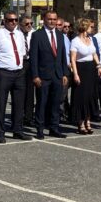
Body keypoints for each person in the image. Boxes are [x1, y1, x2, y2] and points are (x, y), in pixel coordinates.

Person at [0, 12, 32, 143]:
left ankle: (18, 130)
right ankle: (0, 132)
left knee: (19, 103)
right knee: (1, 103)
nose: (13, 22)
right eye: (10, 20)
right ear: (4, 21)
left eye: (16, 20)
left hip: (19, 72)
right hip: (3, 73)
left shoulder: (19, 35)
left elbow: (22, 53)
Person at [30, 11, 69, 139]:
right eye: (49, 19)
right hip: (43, 76)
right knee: (42, 103)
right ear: (44, 20)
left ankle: (54, 127)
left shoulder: (59, 35)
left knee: (56, 103)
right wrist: (35, 75)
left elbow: (62, 56)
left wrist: (64, 74)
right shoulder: (37, 35)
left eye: (54, 19)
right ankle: (40, 129)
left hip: (57, 75)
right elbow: (34, 57)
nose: (52, 21)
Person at [70, 19, 101, 135]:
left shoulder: (90, 39)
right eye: (91, 27)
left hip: (91, 69)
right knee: (81, 97)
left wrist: (98, 66)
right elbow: (73, 59)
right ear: (84, 27)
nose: (92, 29)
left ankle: (88, 121)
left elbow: (94, 54)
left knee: (90, 96)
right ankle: (81, 123)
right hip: (81, 69)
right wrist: (76, 74)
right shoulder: (75, 41)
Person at [20, 15, 37, 127]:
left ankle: (28, 117)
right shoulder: (17, 34)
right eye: (27, 24)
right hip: (20, 63)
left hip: (31, 62)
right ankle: (18, 117)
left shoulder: (34, 34)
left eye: (31, 23)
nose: (29, 26)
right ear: (21, 24)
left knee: (30, 92)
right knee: (20, 91)